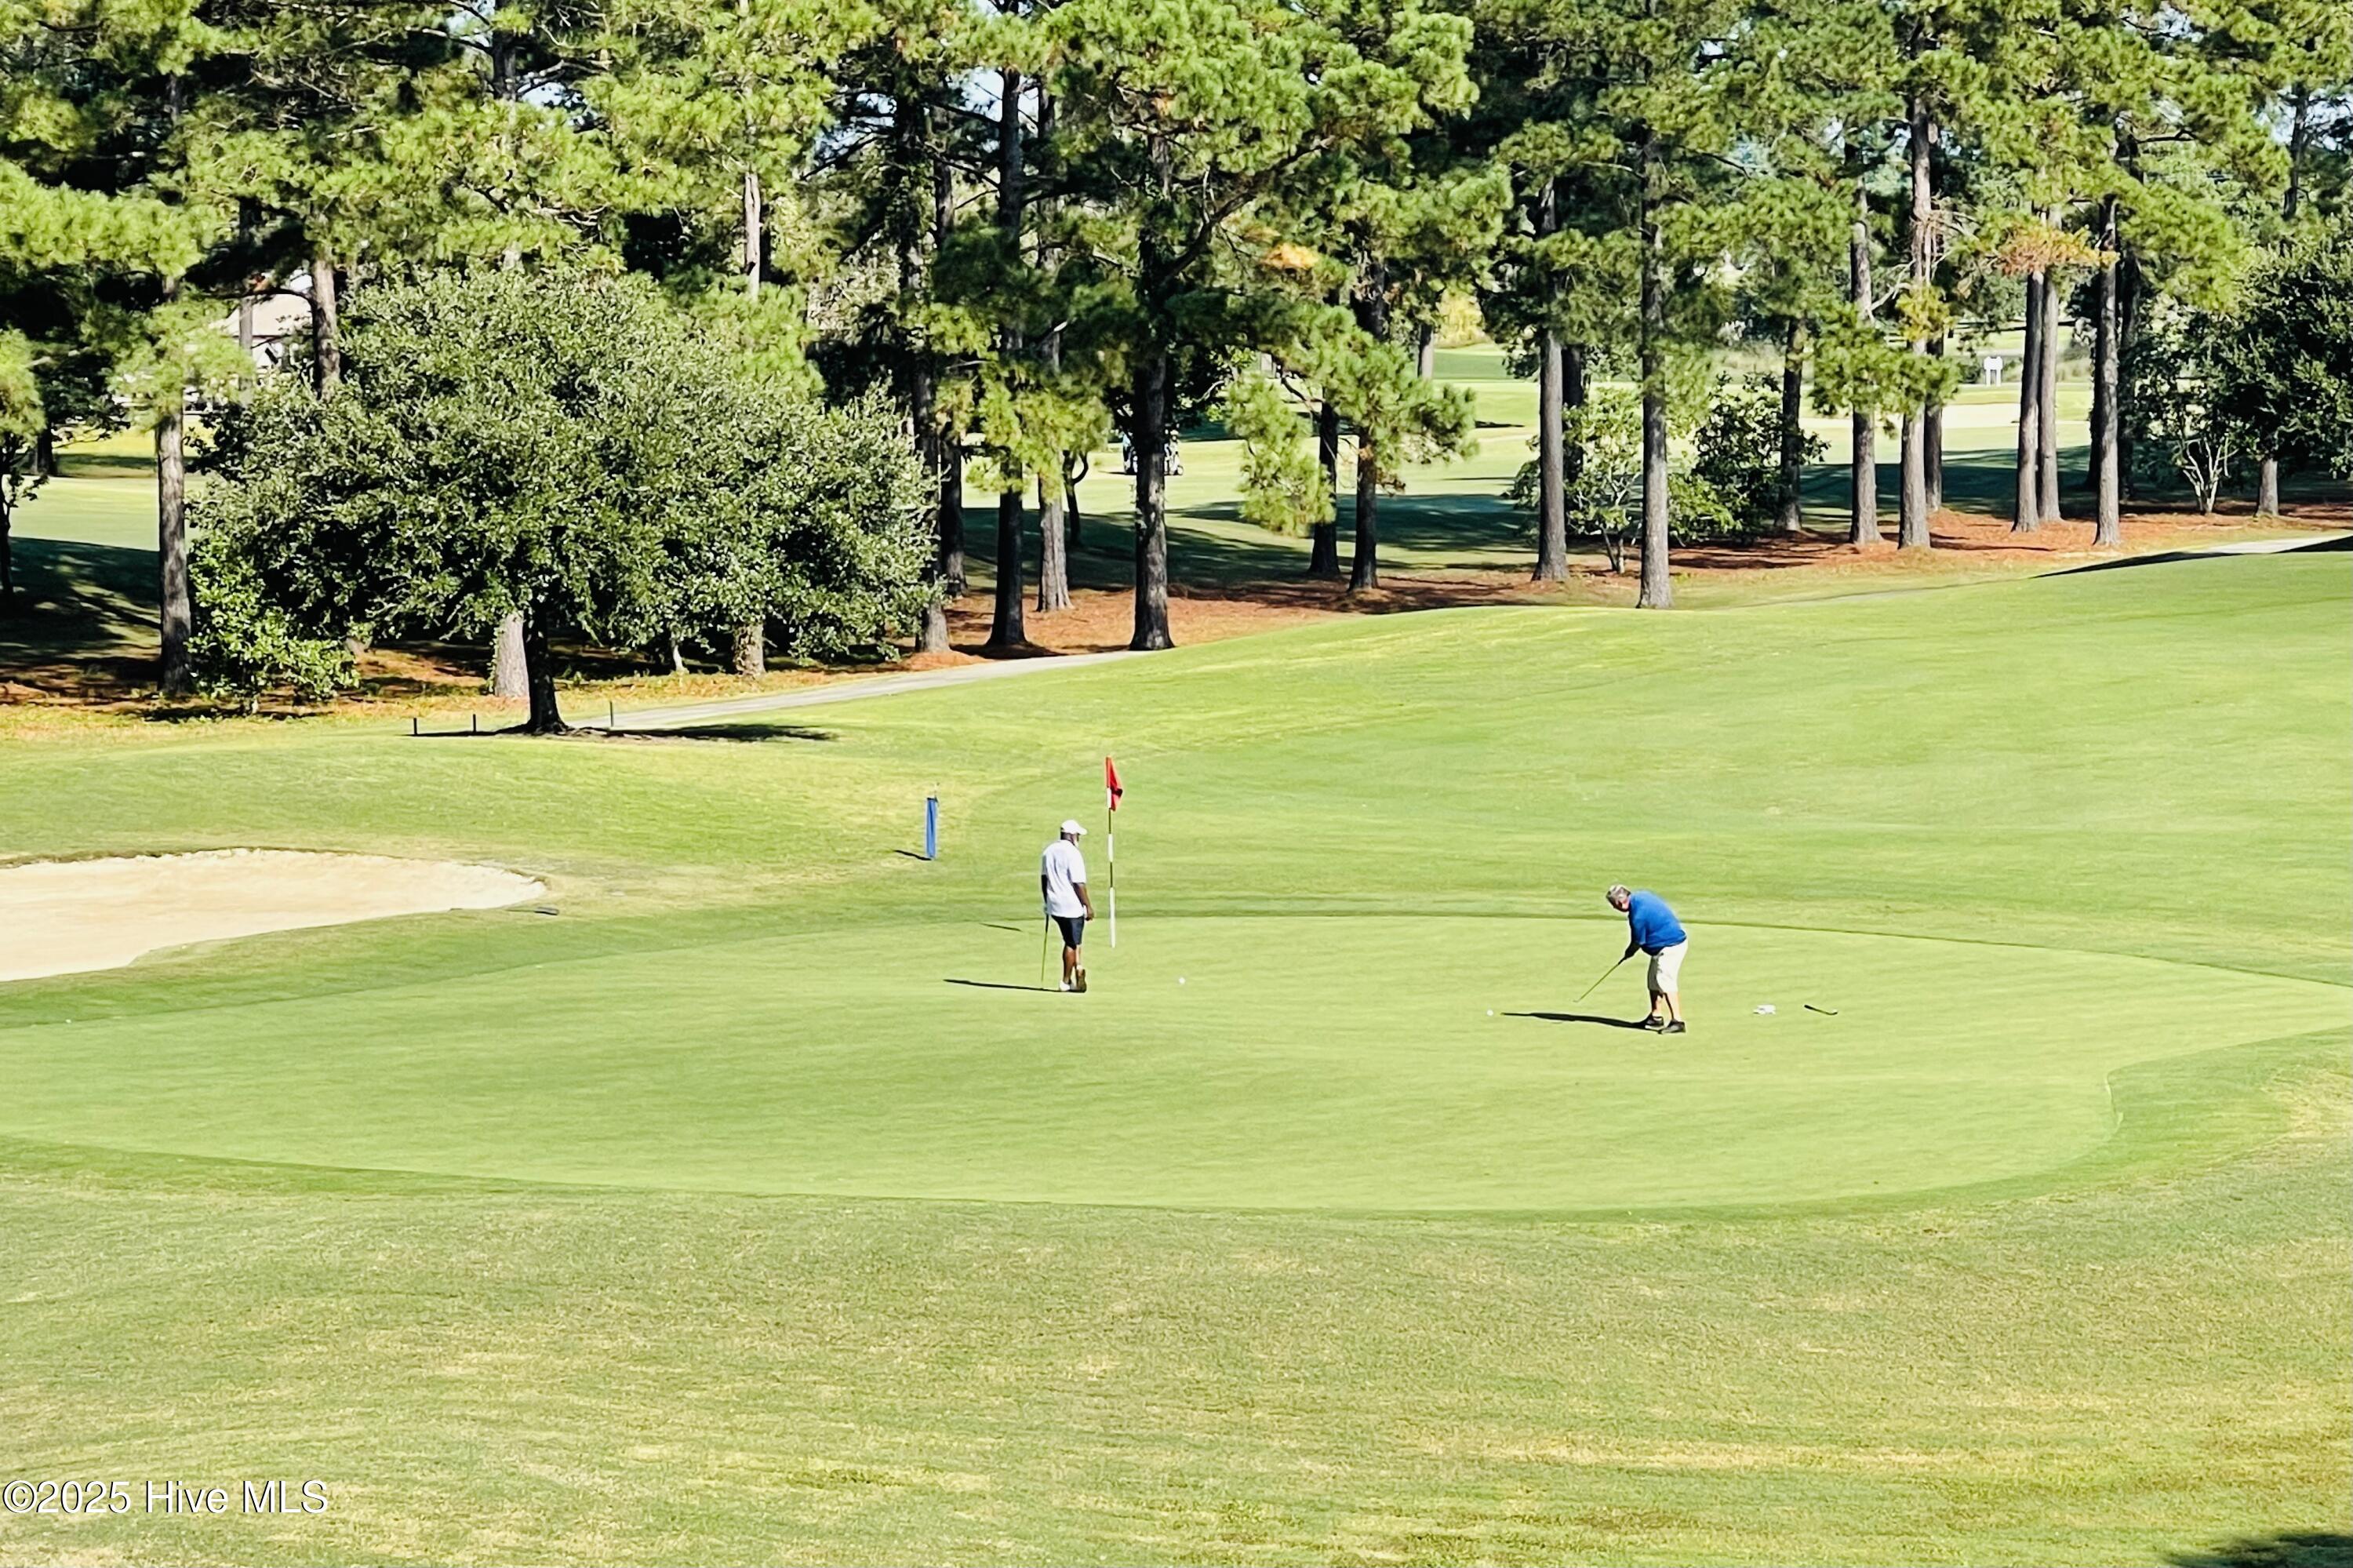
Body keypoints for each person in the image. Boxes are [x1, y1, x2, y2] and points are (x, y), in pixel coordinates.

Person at [1607, 884, 1687, 1032]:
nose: (1614, 908)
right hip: (1662, 947)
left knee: (1665, 981)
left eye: (1614, 905)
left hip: (1671, 946)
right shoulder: (1642, 896)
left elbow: (1638, 941)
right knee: (1653, 981)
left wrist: (1629, 953)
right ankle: (1656, 1017)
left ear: (1620, 903)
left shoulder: (1638, 915)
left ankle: (1678, 1021)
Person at [1041, 820, 1094, 993]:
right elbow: (1078, 884)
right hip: (1071, 906)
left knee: (1072, 939)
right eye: (1077, 835)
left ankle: (1078, 968)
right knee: (1072, 943)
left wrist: (1047, 901)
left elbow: (1044, 879)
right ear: (1071, 835)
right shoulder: (1073, 854)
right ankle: (1066, 981)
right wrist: (1088, 906)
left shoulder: (1048, 851)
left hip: (1054, 905)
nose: (1078, 838)